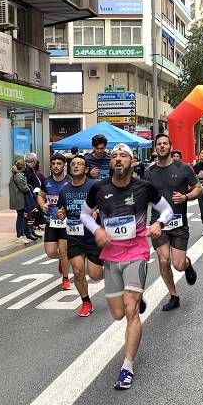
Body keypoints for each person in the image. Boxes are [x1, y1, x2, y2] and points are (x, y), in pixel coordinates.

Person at [80, 144, 173, 390]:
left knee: (131, 312)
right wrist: (97, 229)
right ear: (111, 164)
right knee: (118, 314)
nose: (118, 159)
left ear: (132, 162)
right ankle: (135, 296)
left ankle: (127, 367)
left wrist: (159, 224)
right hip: (111, 257)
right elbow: (85, 214)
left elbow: (167, 210)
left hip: (136, 253)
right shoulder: (99, 189)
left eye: (123, 156)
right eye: (114, 156)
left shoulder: (144, 187)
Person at [147, 134, 200, 311]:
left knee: (178, 265)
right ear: (155, 148)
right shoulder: (149, 172)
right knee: (163, 260)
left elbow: (198, 188)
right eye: (159, 144)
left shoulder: (183, 168)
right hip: (158, 223)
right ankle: (173, 295)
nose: (162, 147)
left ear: (170, 146)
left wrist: (186, 196)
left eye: (165, 144)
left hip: (178, 222)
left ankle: (187, 263)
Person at [56, 155, 103, 317]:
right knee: (77, 271)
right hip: (74, 237)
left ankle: (111, 272)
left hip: (93, 237)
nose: (75, 166)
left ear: (86, 169)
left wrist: (98, 210)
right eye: (73, 164)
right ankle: (86, 302)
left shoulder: (94, 186)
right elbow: (61, 211)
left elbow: (106, 204)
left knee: (96, 275)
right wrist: (61, 214)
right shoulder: (64, 190)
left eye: (80, 164)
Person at [37, 154, 72, 290]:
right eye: (54, 163)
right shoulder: (46, 182)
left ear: (64, 165)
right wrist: (42, 205)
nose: (56, 166)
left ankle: (65, 278)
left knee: (63, 251)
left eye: (59, 163)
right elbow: (40, 195)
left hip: (65, 222)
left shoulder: (70, 181)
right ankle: (63, 261)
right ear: (51, 165)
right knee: (51, 252)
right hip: (51, 221)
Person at [9, 161, 37, 243]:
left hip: (18, 199)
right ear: (23, 167)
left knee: (21, 216)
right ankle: (19, 235)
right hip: (19, 199)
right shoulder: (18, 176)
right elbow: (24, 188)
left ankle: (21, 234)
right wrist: (28, 187)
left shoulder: (15, 175)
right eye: (24, 166)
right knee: (20, 217)